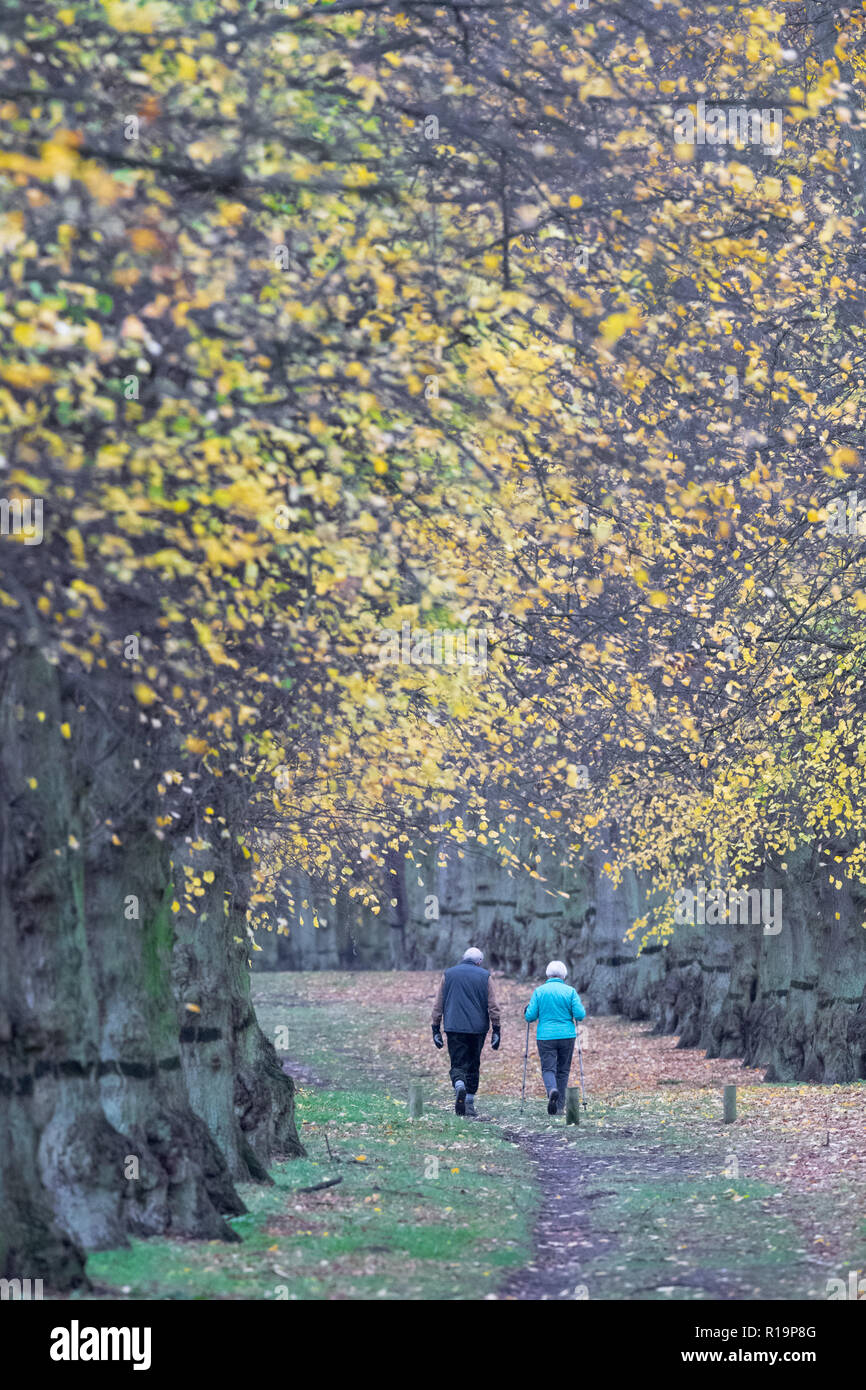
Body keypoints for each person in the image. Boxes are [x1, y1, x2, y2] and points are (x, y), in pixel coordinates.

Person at [430, 947, 501, 1116]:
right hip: (478, 1029)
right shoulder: (485, 976)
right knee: (473, 1063)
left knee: (457, 1062)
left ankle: (459, 1084)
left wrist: (435, 1028)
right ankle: (468, 1102)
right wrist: (496, 1029)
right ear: (479, 962)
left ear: (463, 958)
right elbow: (493, 1006)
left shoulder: (448, 974)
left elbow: (438, 1003)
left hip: (454, 1026)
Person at [524, 961, 586, 1115]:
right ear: (564, 975)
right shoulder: (570, 991)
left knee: (548, 1068)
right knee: (563, 1070)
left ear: (547, 974)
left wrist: (526, 1010)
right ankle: (559, 1107)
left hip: (546, 1036)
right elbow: (580, 1015)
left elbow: (530, 1017)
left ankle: (552, 1090)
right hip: (567, 1035)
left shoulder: (539, 991)